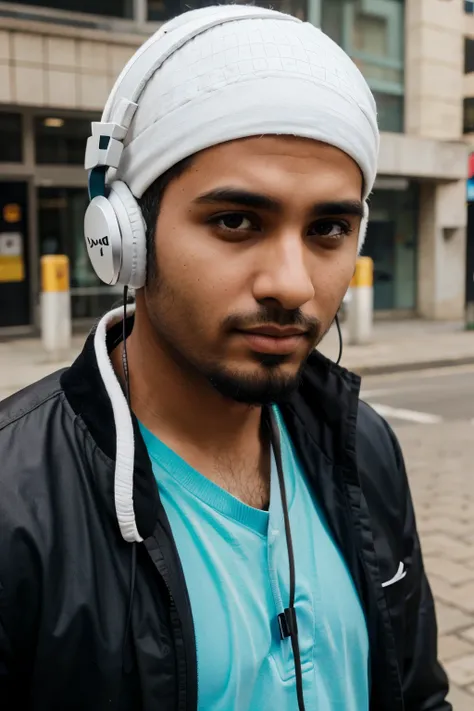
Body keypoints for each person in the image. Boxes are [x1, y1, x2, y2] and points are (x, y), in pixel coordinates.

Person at [0, 5, 450, 711]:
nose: (293, 284)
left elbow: (417, 692)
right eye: (236, 221)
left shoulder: (364, 443)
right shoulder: (14, 500)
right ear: (123, 237)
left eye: (329, 227)